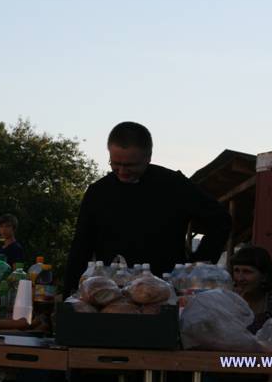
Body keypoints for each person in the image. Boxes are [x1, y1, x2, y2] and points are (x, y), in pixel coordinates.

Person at [64, 121, 231, 293]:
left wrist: (196, 266)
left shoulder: (173, 185)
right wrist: (69, 293)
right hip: (111, 293)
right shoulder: (98, 192)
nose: (122, 171)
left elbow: (220, 220)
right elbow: (80, 247)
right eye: (115, 164)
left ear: (148, 157)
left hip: (166, 291)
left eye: (130, 165)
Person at [213, 245, 272, 382]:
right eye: (237, 271)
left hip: (267, 376)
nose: (240, 278)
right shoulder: (227, 300)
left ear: (264, 277)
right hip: (231, 374)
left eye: (247, 272)